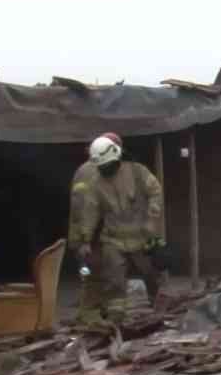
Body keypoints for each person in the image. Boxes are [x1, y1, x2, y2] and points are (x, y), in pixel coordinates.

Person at [67, 132, 167, 325]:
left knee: (152, 274)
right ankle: (115, 321)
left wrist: (151, 219)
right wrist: (85, 239)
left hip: (142, 238)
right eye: (102, 167)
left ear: (118, 155)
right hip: (112, 240)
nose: (105, 170)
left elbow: (155, 192)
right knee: (113, 281)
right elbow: (89, 211)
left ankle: (161, 313)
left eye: (108, 166)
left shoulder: (138, 172)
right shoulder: (95, 181)